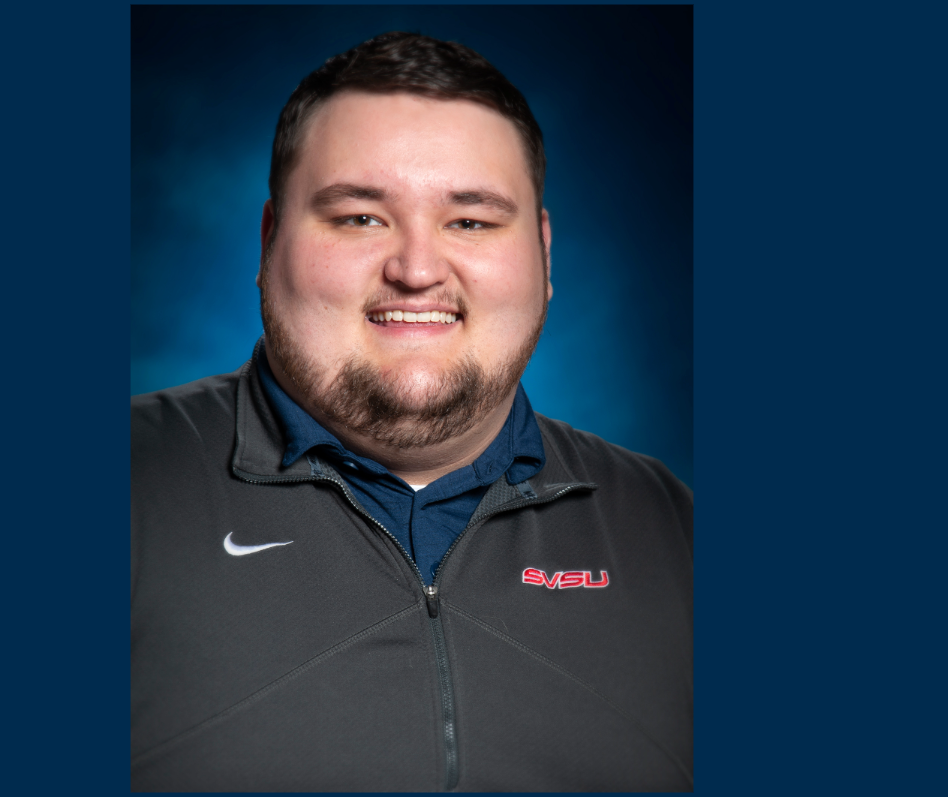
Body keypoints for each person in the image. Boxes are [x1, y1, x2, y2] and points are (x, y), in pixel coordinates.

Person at [131, 32, 692, 792]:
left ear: (545, 255)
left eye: (471, 220)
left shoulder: (672, 529)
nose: (417, 269)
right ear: (268, 243)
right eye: (360, 217)